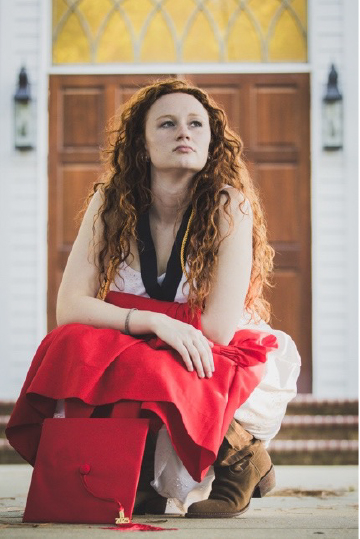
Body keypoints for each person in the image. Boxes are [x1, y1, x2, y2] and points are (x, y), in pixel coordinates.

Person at [7, 79, 300, 519]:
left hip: (214, 348)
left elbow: (217, 328)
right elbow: (70, 307)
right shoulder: (110, 203)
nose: (184, 132)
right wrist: (155, 323)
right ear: (142, 146)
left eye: (196, 124)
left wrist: (152, 327)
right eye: (167, 124)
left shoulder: (228, 205)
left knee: (146, 361)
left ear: (210, 142)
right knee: (69, 344)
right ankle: (127, 470)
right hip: (147, 338)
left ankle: (241, 455)